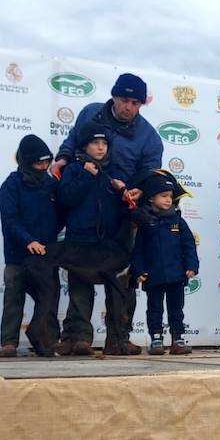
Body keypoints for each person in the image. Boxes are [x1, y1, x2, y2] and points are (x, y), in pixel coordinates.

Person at [53, 72, 162, 352]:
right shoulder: (90, 113)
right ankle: (77, 338)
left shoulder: (149, 136)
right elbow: (72, 141)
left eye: (136, 103)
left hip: (120, 211)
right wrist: (63, 160)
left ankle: (120, 337)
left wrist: (140, 191)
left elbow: (150, 175)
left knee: (124, 277)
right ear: (113, 97)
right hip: (84, 202)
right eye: (125, 100)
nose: (129, 107)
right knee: (79, 271)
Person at [55, 129, 136, 355]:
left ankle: (117, 340)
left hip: (109, 245)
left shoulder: (114, 173)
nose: (100, 147)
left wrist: (124, 193)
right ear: (84, 147)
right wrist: (85, 175)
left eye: (104, 143)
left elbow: (125, 212)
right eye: (95, 143)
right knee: (80, 291)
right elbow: (65, 199)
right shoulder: (73, 169)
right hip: (80, 241)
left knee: (116, 293)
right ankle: (80, 338)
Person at [0, 134, 61, 357]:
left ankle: (49, 341)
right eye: (38, 163)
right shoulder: (10, 186)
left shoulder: (52, 185)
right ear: (25, 162)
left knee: (50, 298)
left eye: (46, 162)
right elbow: (9, 220)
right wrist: (28, 240)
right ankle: (9, 343)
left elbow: (61, 215)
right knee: (14, 297)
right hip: (18, 255)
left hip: (45, 256)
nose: (43, 167)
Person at [131, 172, 198, 356]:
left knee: (176, 309)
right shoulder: (145, 223)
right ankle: (156, 339)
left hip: (177, 276)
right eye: (164, 196)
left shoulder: (178, 221)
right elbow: (138, 250)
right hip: (154, 276)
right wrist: (139, 270)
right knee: (154, 309)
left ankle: (178, 339)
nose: (169, 200)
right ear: (151, 198)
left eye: (170, 196)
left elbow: (188, 245)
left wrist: (192, 265)